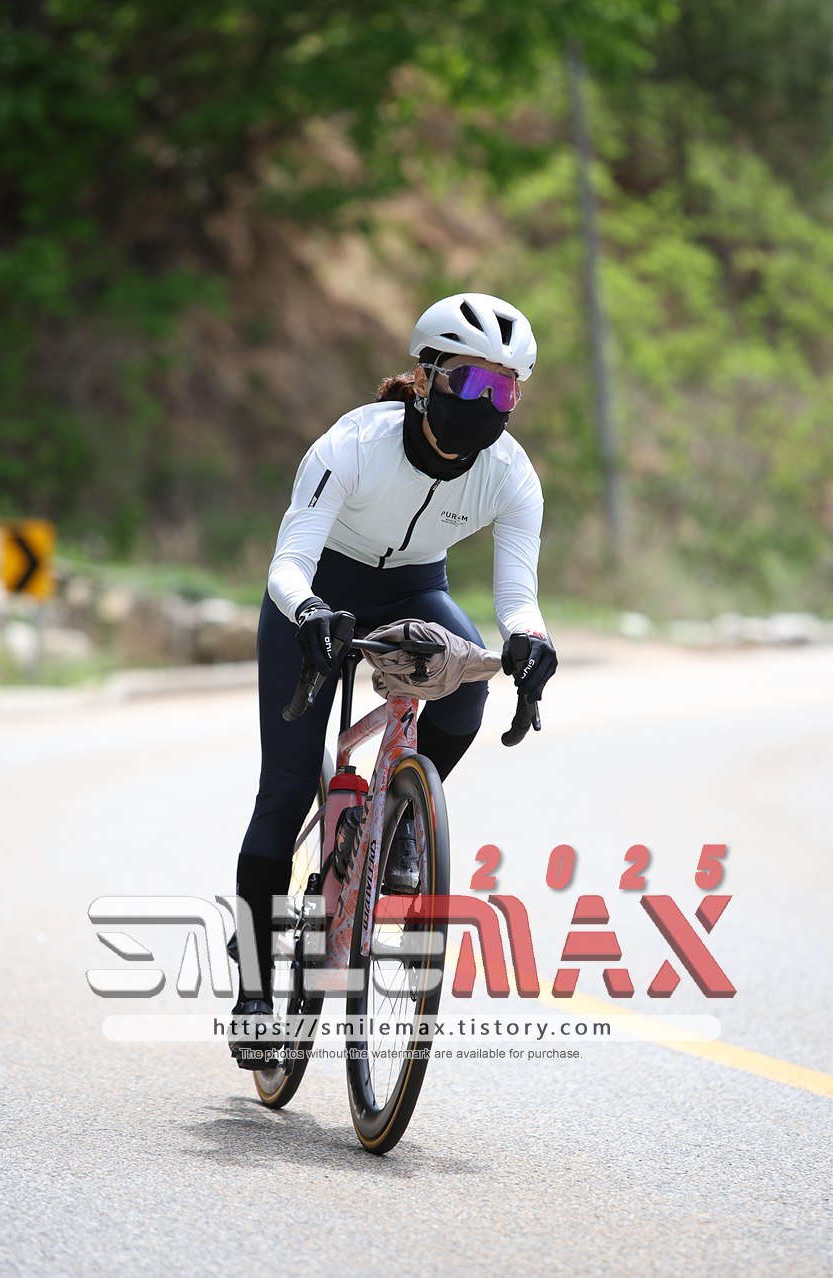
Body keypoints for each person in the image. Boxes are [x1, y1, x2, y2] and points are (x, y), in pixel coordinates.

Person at [229, 292, 558, 1064]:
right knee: (286, 790)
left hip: (415, 589)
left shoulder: (511, 475)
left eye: (505, 391)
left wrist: (532, 640)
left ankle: (403, 818)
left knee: (469, 683)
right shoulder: (354, 443)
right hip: (317, 594)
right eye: (471, 382)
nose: (487, 403)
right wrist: (309, 611)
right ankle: (253, 990)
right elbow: (288, 563)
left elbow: (517, 598)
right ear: (428, 374)